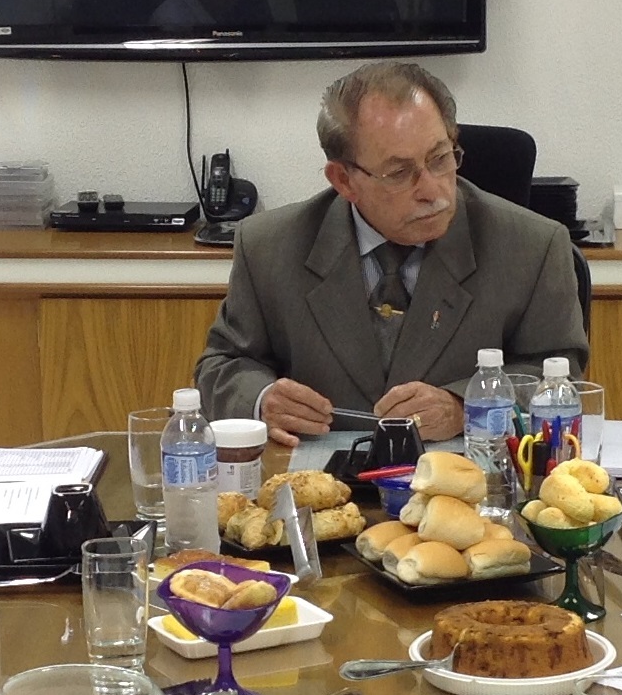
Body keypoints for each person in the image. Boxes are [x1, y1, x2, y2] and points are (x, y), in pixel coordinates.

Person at [195, 61, 588, 445]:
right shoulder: (269, 247)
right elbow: (222, 364)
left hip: (464, 473)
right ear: (344, 180)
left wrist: (465, 406)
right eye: (399, 173)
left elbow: (559, 377)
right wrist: (262, 399)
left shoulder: (532, 247)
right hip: (316, 476)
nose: (431, 190)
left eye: (440, 159)